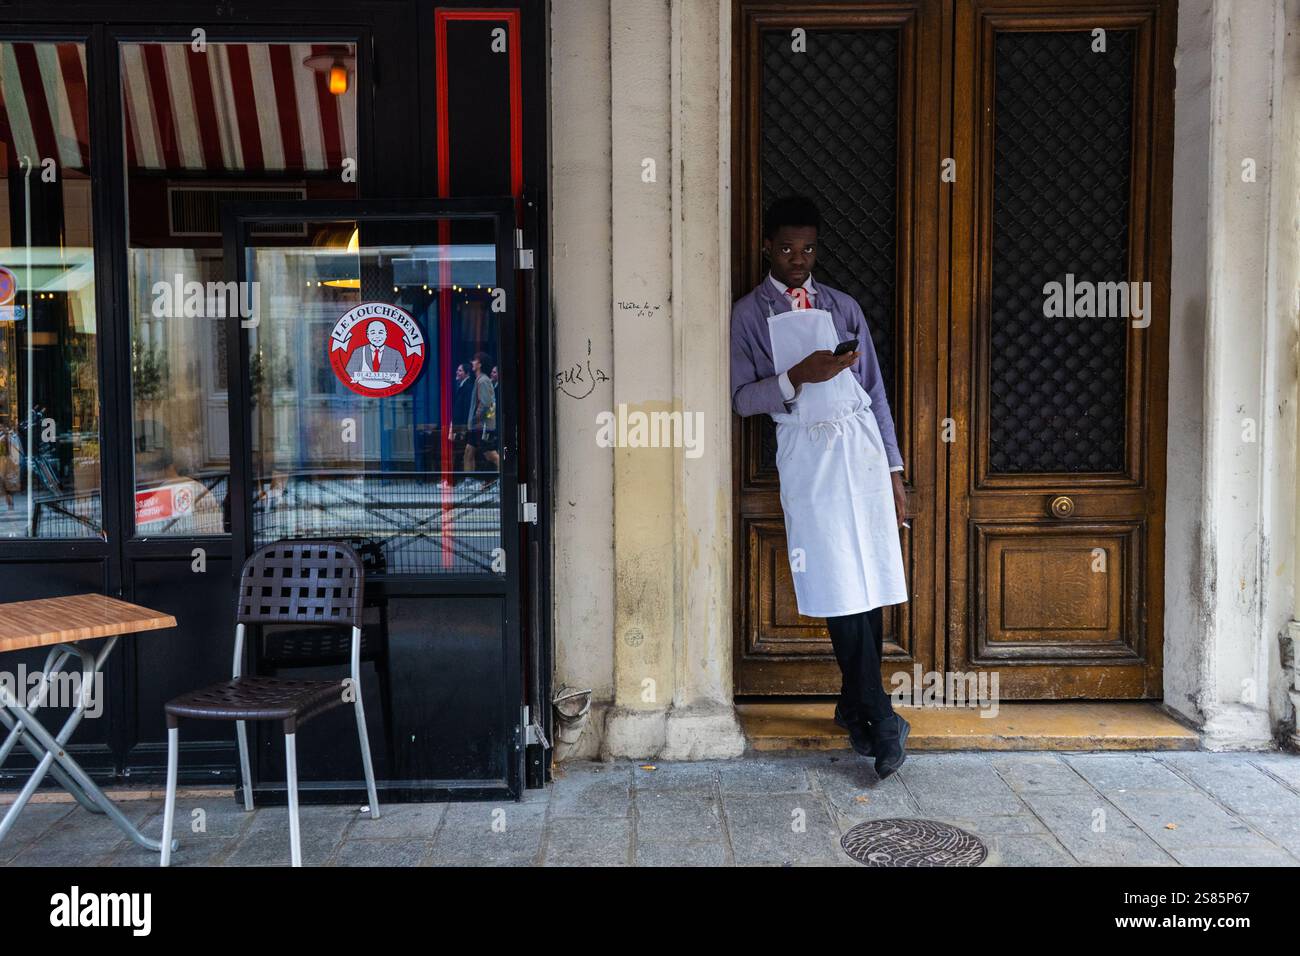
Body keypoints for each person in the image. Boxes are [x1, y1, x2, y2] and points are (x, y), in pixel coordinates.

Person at [730, 196, 910, 779]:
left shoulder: (843, 306)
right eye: (786, 248)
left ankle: (857, 705)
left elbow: (875, 390)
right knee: (836, 579)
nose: (797, 259)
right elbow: (740, 398)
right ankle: (879, 715)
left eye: (807, 249)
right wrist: (795, 377)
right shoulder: (748, 315)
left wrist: (893, 470)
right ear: (766, 248)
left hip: (859, 450)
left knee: (869, 576)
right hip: (807, 453)